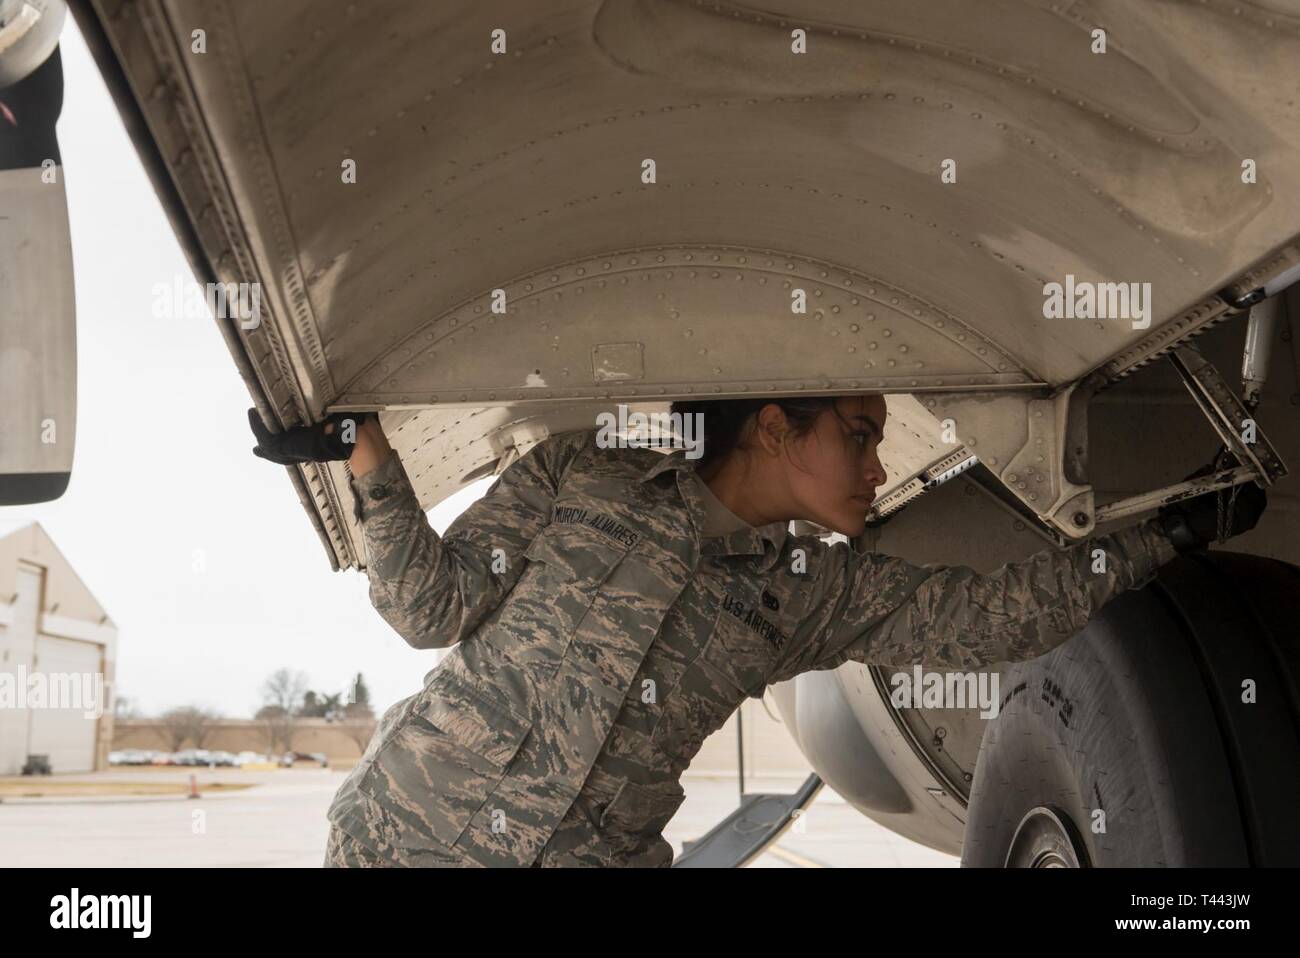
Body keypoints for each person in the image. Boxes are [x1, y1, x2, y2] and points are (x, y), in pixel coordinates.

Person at [247, 395, 1265, 867]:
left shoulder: (807, 592)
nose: (877, 466)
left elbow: (986, 619)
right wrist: (369, 459)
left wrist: (1161, 538)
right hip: (404, 838)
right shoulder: (583, 471)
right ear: (775, 427)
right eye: (859, 436)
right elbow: (431, 606)